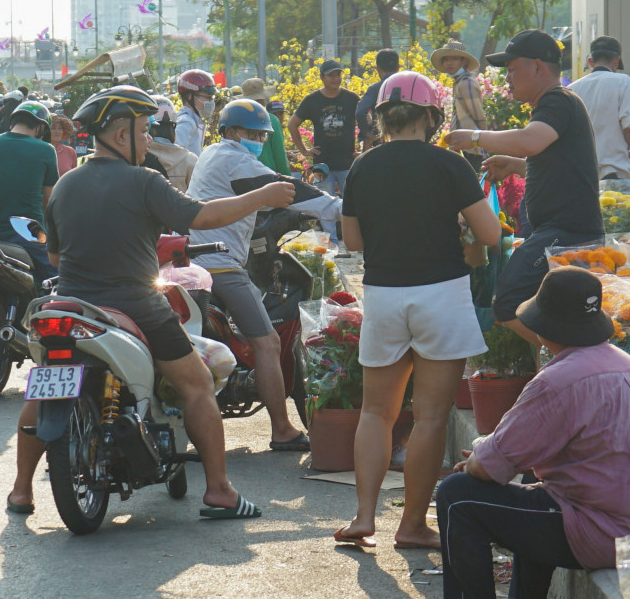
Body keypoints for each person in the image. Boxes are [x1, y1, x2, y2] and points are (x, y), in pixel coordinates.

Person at [5, 85, 297, 520]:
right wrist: (262, 196)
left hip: (67, 305)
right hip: (135, 305)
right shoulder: (144, 181)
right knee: (196, 384)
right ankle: (220, 490)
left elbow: (55, 256)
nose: (147, 142)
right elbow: (201, 217)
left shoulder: (66, 185)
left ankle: (21, 490)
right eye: (143, 133)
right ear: (120, 135)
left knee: (45, 383)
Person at [413, 267, 630, 599]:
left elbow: (489, 466)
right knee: (537, 487)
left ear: (546, 327)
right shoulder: (623, 363)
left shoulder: (561, 379)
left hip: (605, 531)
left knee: (458, 496)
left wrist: (479, 462)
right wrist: (493, 455)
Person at [337, 72, 500, 550]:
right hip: (442, 296)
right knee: (429, 418)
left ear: (382, 118)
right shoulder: (451, 166)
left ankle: (364, 517)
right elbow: (489, 235)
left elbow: (352, 241)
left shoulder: (362, 169)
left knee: (375, 413)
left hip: (385, 295)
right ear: (432, 117)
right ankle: (411, 525)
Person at [188, 98, 342, 453]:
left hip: (195, 262)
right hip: (220, 266)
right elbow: (285, 191)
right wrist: (336, 208)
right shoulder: (233, 158)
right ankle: (282, 429)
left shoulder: (213, 154)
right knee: (268, 343)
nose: (257, 139)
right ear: (230, 132)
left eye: (261, 134)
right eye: (251, 132)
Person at [444, 30, 604, 344]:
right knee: (544, 311)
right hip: (561, 230)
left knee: (506, 302)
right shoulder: (556, 104)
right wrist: (516, 165)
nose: (508, 79)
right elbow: (558, 164)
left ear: (537, 67)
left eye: (512, 70)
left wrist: (475, 137)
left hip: (567, 232)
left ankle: (576, 360)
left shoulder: (556, 101)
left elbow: (530, 140)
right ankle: (563, 365)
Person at [0, 99, 60, 290]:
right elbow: (49, 201)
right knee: (54, 282)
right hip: (31, 237)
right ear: (41, 127)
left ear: (12, 122)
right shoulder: (46, 150)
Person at [568, 36, 630, 184]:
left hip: (579, 174)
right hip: (613, 172)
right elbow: (629, 127)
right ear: (616, 60)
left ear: (590, 61)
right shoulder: (623, 82)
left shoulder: (571, 89)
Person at [289, 60, 361, 194]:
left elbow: (366, 124)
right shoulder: (312, 100)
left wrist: (364, 151)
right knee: (325, 202)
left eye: (338, 75)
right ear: (322, 77)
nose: (336, 79)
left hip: (347, 163)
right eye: (331, 75)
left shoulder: (351, 98)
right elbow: (292, 124)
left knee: (351, 203)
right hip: (321, 164)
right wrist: (304, 150)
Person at [430, 40, 487, 136]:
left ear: (464, 62)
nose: (449, 63)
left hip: (471, 141)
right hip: (464, 140)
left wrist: (483, 138)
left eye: (454, 59)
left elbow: (478, 115)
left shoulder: (466, 83)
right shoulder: (459, 82)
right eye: (446, 60)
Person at [236, 79, 291, 174]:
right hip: (268, 176)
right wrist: (289, 181)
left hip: (242, 175)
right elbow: (280, 156)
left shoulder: (236, 119)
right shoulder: (271, 120)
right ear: (263, 98)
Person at [355, 48, 400, 148]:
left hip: (382, 141)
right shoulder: (407, 86)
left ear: (378, 68)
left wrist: (368, 134)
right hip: (407, 141)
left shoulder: (375, 88)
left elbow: (360, 111)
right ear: (398, 67)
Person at [174, 69, 217, 156]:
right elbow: (176, 157)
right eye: (207, 97)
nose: (211, 102)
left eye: (211, 98)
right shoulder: (186, 123)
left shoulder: (193, 121)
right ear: (190, 96)